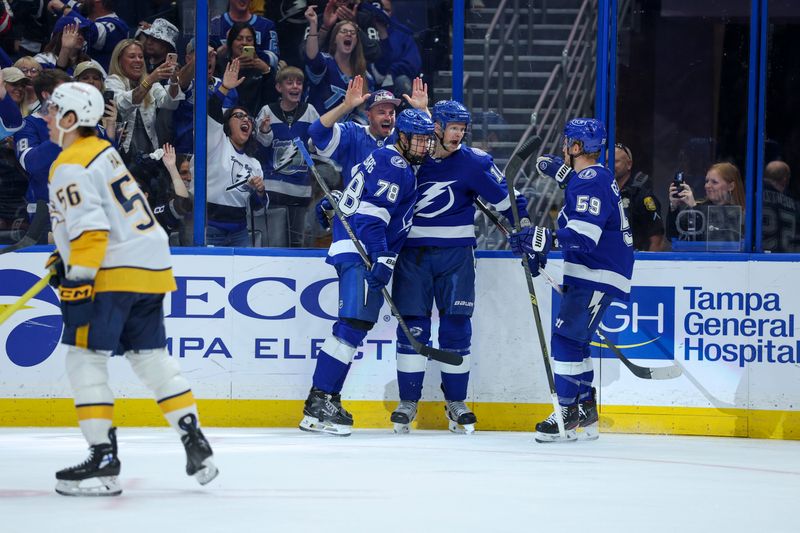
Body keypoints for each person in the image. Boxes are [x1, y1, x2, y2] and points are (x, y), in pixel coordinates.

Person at [44, 81, 217, 496]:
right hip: (151, 266)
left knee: (84, 361)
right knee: (151, 358)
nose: (48, 118)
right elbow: (102, 220)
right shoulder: (104, 153)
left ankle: (103, 460)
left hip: (111, 271)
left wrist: (77, 278)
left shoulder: (69, 163)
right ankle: (197, 443)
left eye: (53, 111)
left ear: (71, 120)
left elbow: (91, 231)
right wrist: (62, 259)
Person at [389, 99, 530, 434]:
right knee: (414, 327)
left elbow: (508, 200)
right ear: (435, 127)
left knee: (455, 327)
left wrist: (521, 226)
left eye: (463, 129)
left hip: (457, 257)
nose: (458, 136)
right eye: (453, 128)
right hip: (413, 256)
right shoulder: (409, 157)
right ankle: (408, 402)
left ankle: (456, 402)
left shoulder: (474, 162)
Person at [301, 108, 435, 436]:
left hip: (353, 247)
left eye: (426, 140)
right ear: (402, 138)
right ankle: (320, 400)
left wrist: (334, 200)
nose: (423, 147)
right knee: (351, 325)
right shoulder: (397, 165)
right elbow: (371, 218)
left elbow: (358, 199)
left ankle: (320, 403)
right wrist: (382, 257)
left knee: (352, 326)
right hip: (360, 250)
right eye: (417, 140)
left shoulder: (384, 156)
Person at [509, 118, 634, 443]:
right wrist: (562, 175)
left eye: (568, 143)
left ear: (576, 147)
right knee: (576, 342)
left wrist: (543, 239)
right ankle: (585, 410)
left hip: (596, 272)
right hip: (594, 270)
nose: (563, 148)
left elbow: (584, 236)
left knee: (565, 340)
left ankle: (566, 412)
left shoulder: (589, 181)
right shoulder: (592, 177)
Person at [255, 66, 320, 247]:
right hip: (274, 190)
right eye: (289, 82)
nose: (295, 86)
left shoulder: (310, 111)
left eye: (299, 83)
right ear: (279, 88)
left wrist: (314, 144)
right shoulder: (267, 111)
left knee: (297, 243)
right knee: (274, 243)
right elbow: (259, 147)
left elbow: (318, 147)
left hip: (301, 191)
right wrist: (265, 131)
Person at [206, 59, 267, 247]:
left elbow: (258, 206)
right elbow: (211, 109)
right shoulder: (217, 142)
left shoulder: (254, 163)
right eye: (238, 116)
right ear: (226, 124)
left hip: (240, 231)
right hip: (212, 228)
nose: (246, 120)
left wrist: (260, 190)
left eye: (248, 118)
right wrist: (224, 88)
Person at [308, 75, 403, 183]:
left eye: (391, 113)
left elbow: (425, 144)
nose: (388, 117)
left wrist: (424, 110)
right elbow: (316, 132)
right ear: (368, 115)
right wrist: (345, 106)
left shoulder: (401, 136)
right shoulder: (352, 133)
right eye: (381, 112)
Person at [106, 39, 184, 161]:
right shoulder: (113, 81)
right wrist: (151, 78)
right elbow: (123, 104)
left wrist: (174, 81)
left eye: (141, 57)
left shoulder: (150, 82)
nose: (138, 60)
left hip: (149, 155)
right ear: (119, 60)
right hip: (122, 154)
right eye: (132, 56)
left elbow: (169, 103)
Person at [303, 7, 373, 117]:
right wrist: (313, 24)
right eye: (343, 31)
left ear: (356, 42)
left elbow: (366, 112)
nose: (348, 34)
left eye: (352, 33)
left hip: (347, 132)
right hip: (318, 128)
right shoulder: (325, 62)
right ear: (335, 39)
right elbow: (312, 58)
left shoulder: (364, 75)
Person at [667, 162, 745, 244]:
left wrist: (695, 209)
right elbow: (673, 237)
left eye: (714, 182)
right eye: (707, 181)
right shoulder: (696, 207)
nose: (707, 186)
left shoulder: (741, 214)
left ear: (731, 186)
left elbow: (718, 241)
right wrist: (674, 207)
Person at [612, 142, 665, 251]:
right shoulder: (603, 192)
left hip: (637, 262)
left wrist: (648, 266)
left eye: (616, 161)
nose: (610, 165)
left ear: (629, 164)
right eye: (607, 161)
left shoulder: (642, 196)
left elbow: (657, 240)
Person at [210, 0, 280, 71]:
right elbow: (207, 58)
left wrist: (252, 51)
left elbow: (274, 61)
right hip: (223, 77)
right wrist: (229, 44)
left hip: (257, 79)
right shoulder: (216, 24)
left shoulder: (266, 25)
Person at [762, 160, 796, 252]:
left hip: (762, 254)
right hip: (786, 255)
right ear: (785, 179)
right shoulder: (793, 202)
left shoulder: (755, 196)